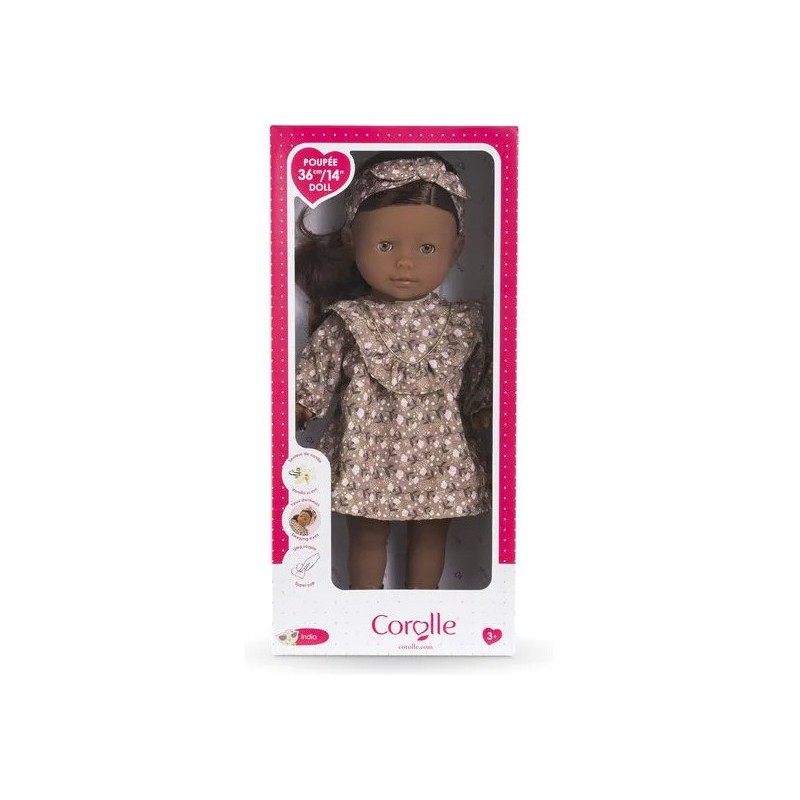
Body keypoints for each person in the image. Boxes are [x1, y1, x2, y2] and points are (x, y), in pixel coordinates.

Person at [294, 153, 492, 590]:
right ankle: (364, 607)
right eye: (385, 246)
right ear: (352, 240)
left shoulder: (462, 325)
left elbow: (481, 380)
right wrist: (302, 404)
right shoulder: (349, 320)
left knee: (431, 535)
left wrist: (484, 410)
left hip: (442, 454)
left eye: (427, 249)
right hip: (366, 450)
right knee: (367, 536)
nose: (405, 262)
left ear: (456, 249)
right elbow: (317, 373)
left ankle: (424, 609)